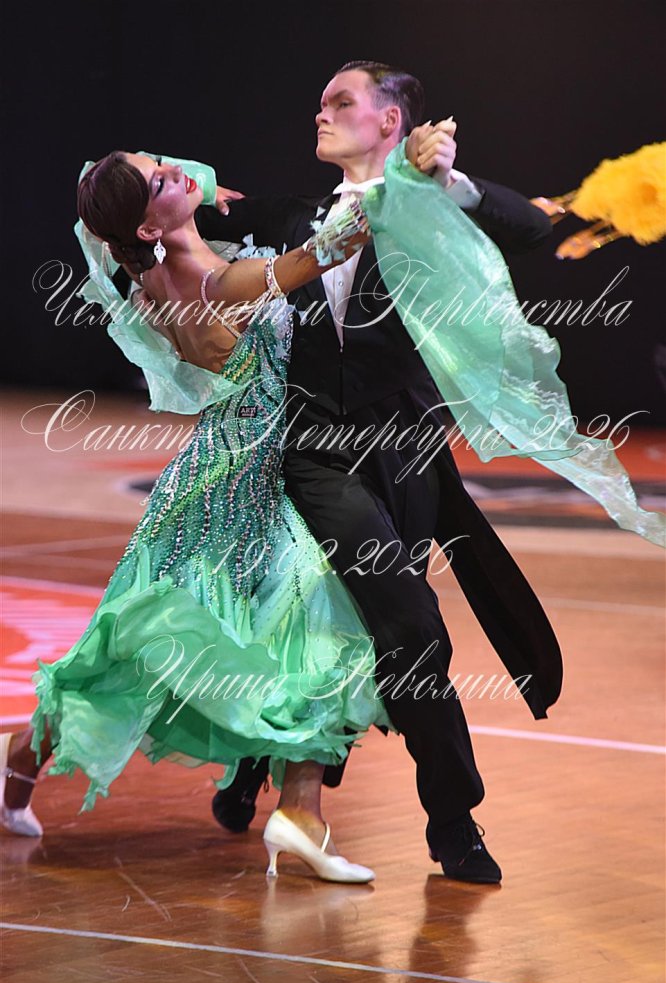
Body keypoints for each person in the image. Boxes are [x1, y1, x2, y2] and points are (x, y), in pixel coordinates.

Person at [145, 60, 663, 885]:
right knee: (409, 626)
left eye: (341, 101)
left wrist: (448, 179)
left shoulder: (431, 205)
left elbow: (529, 225)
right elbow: (163, 207)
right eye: (320, 101)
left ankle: (255, 775)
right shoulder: (294, 216)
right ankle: (453, 822)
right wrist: (185, 188)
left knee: (350, 627)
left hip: (404, 456)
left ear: (390, 121)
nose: (321, 112)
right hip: (311, 453)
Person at [0, 147, 400, 885]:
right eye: (161, 179)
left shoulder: (146, 268)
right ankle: (20, 756)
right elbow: (325, 251)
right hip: (226, 488)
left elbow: (98, 203)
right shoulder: (214, 280)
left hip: (233, 473)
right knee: (153, 647)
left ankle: (300, 815)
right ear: (147, 225)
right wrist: (397, 182)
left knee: (302, 620)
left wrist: (196, 188)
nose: (177, 170)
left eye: (163, 162)